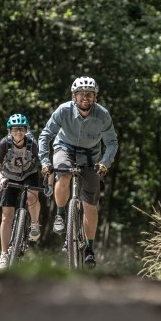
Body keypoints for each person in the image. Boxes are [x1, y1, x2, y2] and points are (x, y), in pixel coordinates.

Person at [38, 76, 118, 267]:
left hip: (90, 156)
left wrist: (105, 163)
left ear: (95, 97)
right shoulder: (63, 110)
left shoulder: (103, 115)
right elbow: (45, 135)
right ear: (74, 97)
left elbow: (112, 143)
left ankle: (89, 248)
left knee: (90, 205)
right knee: (63, 174)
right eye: (81, 94)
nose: (85, 97)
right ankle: (60, 214)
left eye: (89, 94)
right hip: (64, 149)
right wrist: (45, 161)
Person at [0, 113, 52, 270]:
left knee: (32, 197)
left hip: (29, 174)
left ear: (27, 130)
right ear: (9, 131)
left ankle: (34, 224)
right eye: (15, 129)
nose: (18, 132)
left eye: (22, 129)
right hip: (8, 177)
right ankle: (4, 254)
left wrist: (49, 185)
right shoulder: (4, 144)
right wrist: (1, 179)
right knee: (6, 217)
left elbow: (46, 167)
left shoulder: (33, 143)